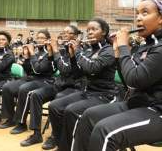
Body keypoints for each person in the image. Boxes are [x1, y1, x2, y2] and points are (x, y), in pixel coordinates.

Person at [72, 0, 162, 151]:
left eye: (145, 13)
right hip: (139, 105)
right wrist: (118, 53)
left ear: (161, 17)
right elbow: (127, 82)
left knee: (105, 131)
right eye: (137, 13)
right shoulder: (146, 45)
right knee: (87, 116)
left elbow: (135, 80)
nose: (138, 19)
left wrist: (123, 47)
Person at [48, 18, 117, 151]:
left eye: (94, 29)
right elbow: (77, 74)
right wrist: (73, 56)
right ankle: (62, 145)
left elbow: (92, 68)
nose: (90, 32)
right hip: (87, 92)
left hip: (104, 95)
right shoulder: (88, 50)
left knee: (71, 111)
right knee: (54, 106)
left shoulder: (108, 51)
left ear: (104, 32)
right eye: (88, 30)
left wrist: (77, 51)